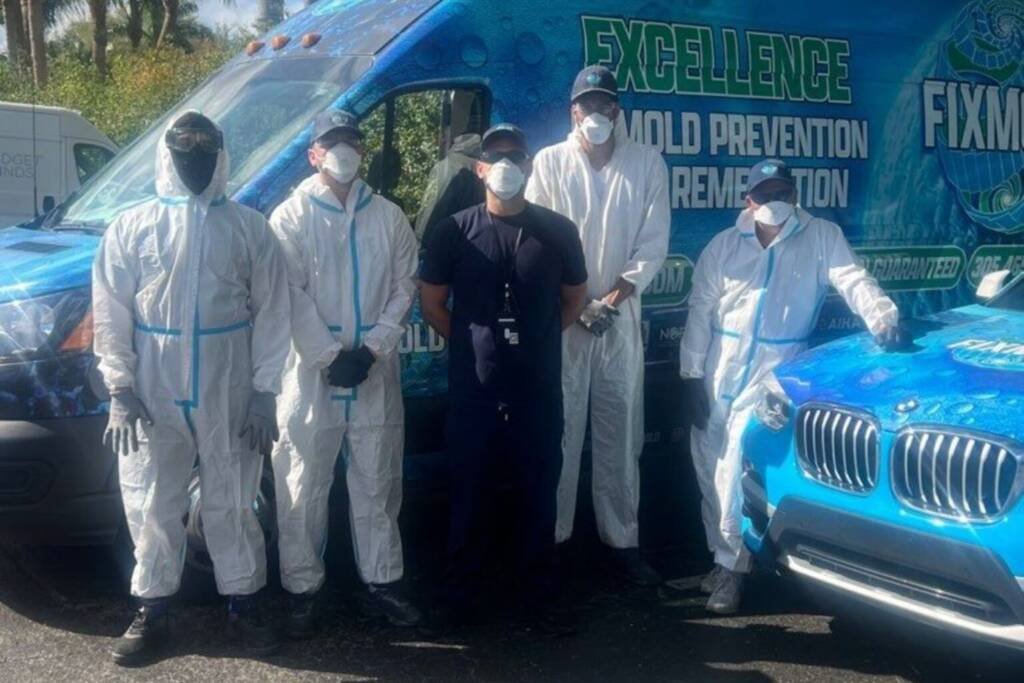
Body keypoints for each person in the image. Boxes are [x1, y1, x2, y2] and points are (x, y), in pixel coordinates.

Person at [93, 111, 290, 664]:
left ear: (221, 157)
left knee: (234, 493)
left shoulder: (249, 227)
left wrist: (264, 388)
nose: (196, 163)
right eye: (185, 152)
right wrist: (120, 386)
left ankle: (243, 603)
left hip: (228, 378)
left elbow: (274, 311)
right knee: (152, 495)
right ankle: (152, 609)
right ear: (168, 155)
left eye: (206, 153)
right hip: (154, 386)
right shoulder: (131, 228)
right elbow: (111, 310)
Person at [680, 158, 909, 614]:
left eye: (783, 193)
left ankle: (732, 571)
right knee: (708, 466)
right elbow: (700, 310)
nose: (775, 203)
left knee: (733, 476)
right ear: (748, 201)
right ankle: (721, 556)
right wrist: (690, 376)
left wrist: (882, 315)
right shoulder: (724, 246)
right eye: (765, 195)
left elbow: (853, 279)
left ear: (796, 196)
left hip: (774, 371)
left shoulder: (821, 236)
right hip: (718, 370)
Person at [420, 123, 588, 631]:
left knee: (539, 493)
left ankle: (539, 599)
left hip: (536, 392)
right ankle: (461, 599)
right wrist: (476, 345)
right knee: (469, 494)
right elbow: (432, 303)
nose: (506, 164)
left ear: (530, 165)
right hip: (475, 394)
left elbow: (575, 298)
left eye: (516, 155)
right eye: (496, 156)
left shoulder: (558, 230)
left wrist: (535, 340)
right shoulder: (453, 231)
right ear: (479, 168)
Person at [269, 110, 420, 637]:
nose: (344, 150)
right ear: (313, 154)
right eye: (332, 142)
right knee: (302, 482)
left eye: (351, 140)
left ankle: (383, 583)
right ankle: (301, 589)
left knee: (378, 482)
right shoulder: (289, 218)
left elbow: (406, 285)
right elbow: (288, 293)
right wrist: (330, 356)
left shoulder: (389, 216)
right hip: (313, 376)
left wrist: (372, 348)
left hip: (373, 373)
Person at [525, 65, 670, 586]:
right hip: (564, 319)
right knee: (559, 432)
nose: (596, 114)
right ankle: (554, 540)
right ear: (573, 112)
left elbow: (653, 244)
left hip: (619, 317)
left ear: (616, 111)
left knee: (620, 430)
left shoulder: (646, 163)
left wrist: (611, 298)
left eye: (605, 104)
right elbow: (537, 241)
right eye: (587, 105)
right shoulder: (549, 163)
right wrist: (579, 300)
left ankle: (622, 541)